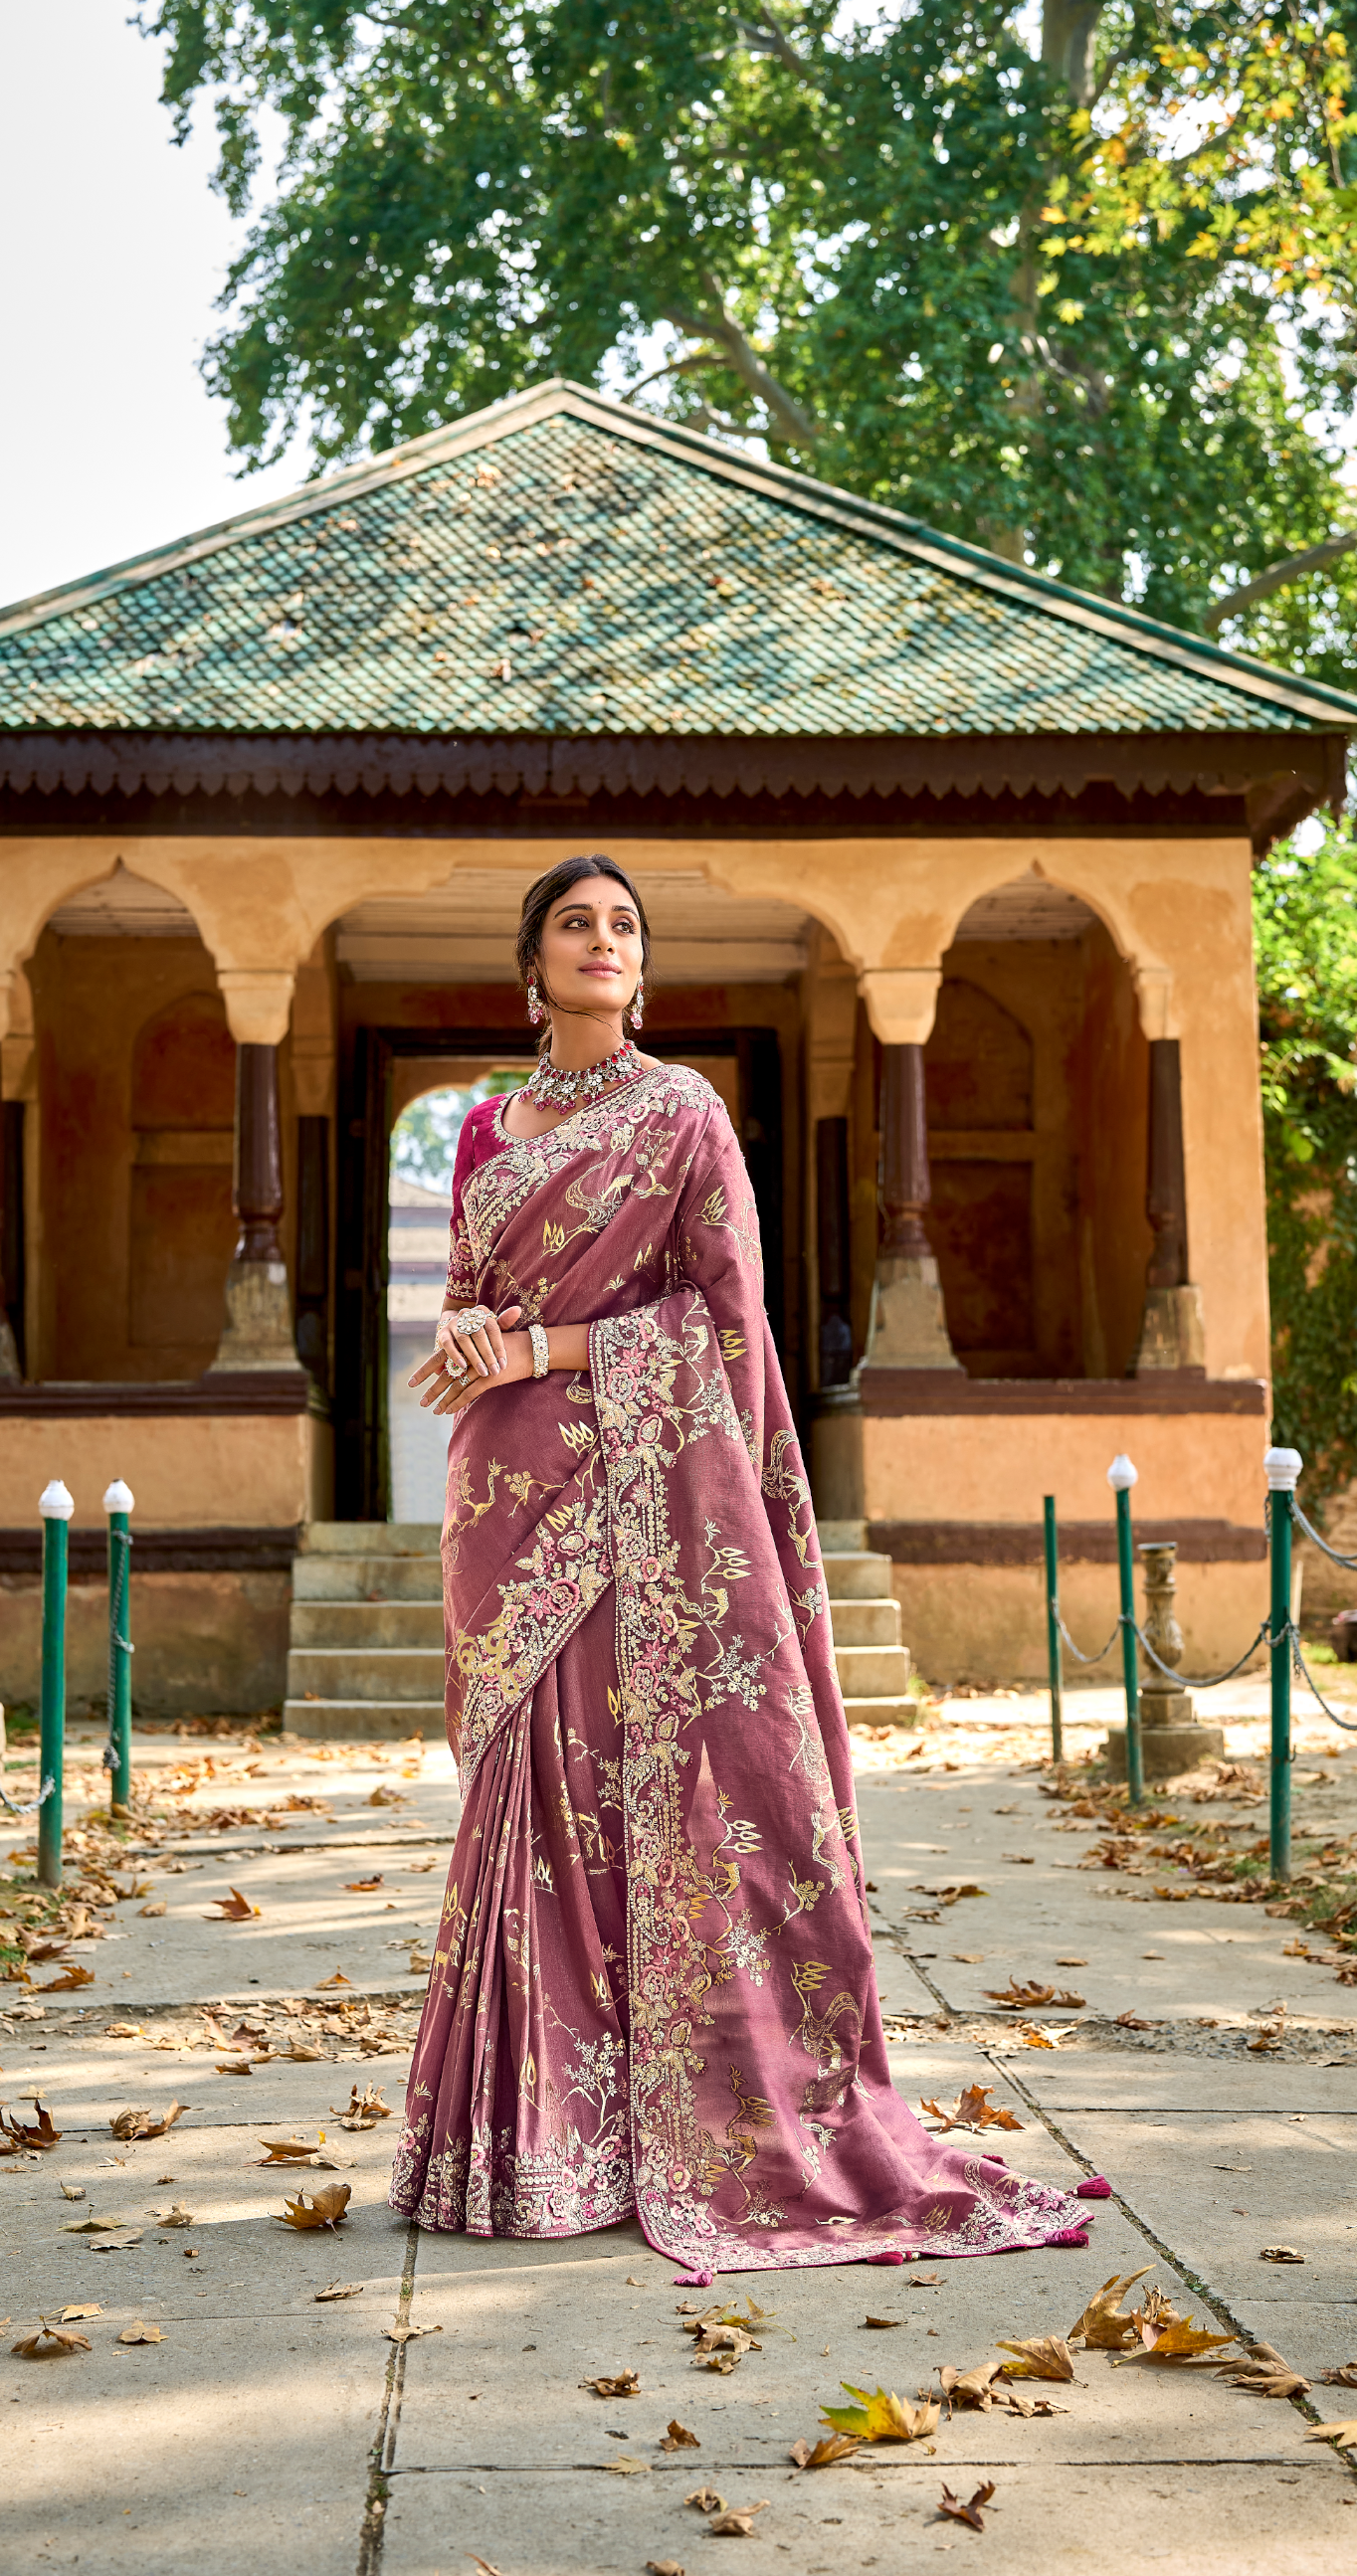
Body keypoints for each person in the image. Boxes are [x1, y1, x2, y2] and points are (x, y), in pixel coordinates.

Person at [388, 855, 1089, 2278]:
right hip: (505, 1499)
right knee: (529, 1805)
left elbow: (725, 1327)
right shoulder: (483, 1130)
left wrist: (541, 1347)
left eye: (623, 927)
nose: (601, 941)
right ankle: (535, 2140)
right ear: (533, 967)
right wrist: (469, 1338)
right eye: (575, 925)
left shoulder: (686, 1115)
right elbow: (478, 1293)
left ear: (644, 970)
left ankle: (667, 2133)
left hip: (640, 1502)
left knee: (636, 1802)